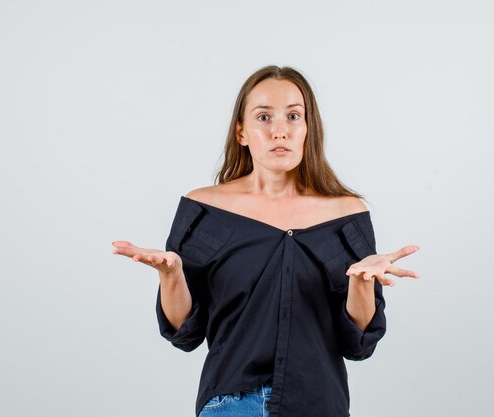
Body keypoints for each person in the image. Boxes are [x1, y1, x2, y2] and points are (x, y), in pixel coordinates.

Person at [111, 65, 419, 417]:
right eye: (263, 117)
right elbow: (184, 333)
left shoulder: (346, 215)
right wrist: (171, 275)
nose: (279, 131)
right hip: (231, 405)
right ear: (241, 132)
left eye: (293, 116)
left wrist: (362, 283)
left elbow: (359, 343)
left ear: (308, 128)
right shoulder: (205, 210)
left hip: (319, 405)